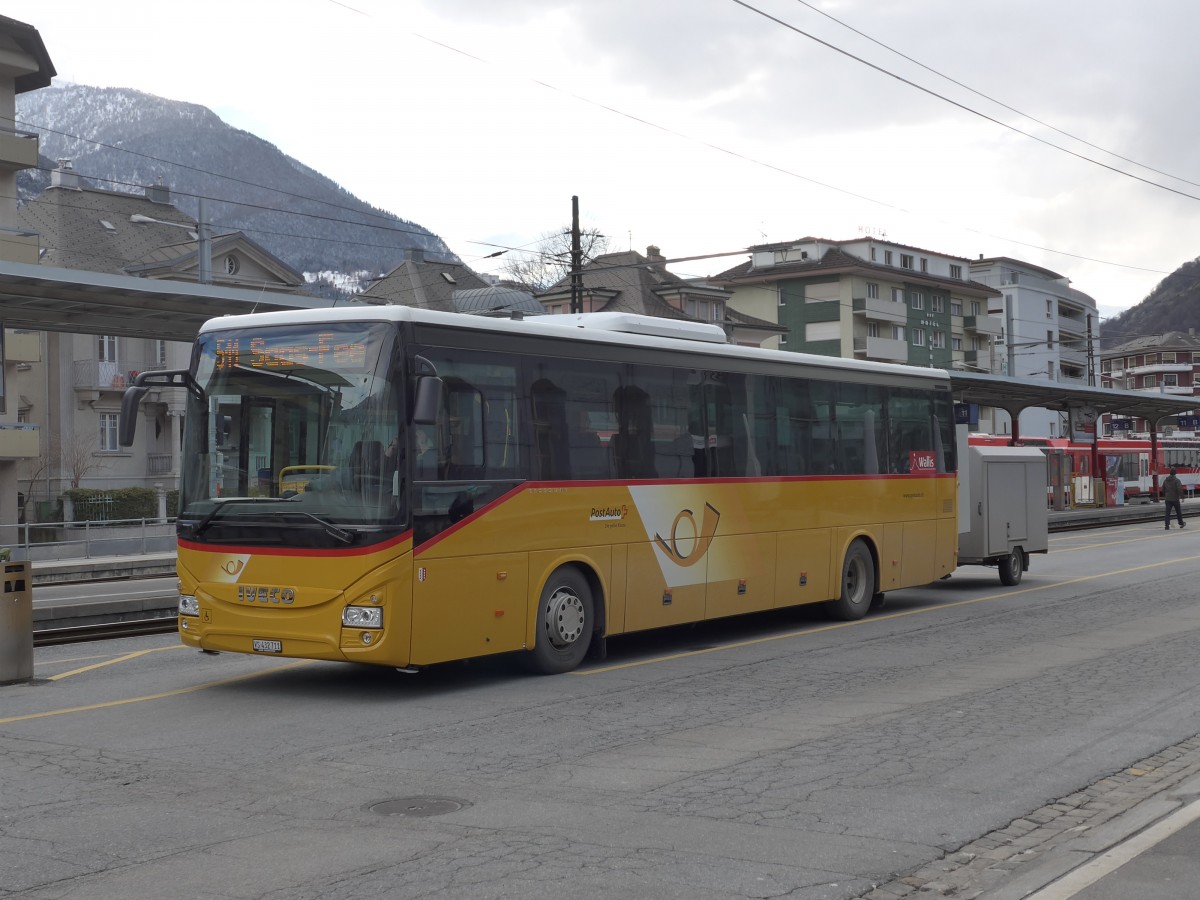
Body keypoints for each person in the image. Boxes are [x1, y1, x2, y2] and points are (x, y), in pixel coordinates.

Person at [1162, 466, 1186, 530]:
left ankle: (1167, 525)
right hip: (1175, 499)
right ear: (1175, 473)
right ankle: (1181, 523)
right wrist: (1182, 497)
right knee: (1178, 512)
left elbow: (1163, 489)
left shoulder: (1165, 480)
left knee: (1167, 513)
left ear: (1170, 473)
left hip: (1168, 499)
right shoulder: (1177, 480)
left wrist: (1166, 495)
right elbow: (1179, 489)